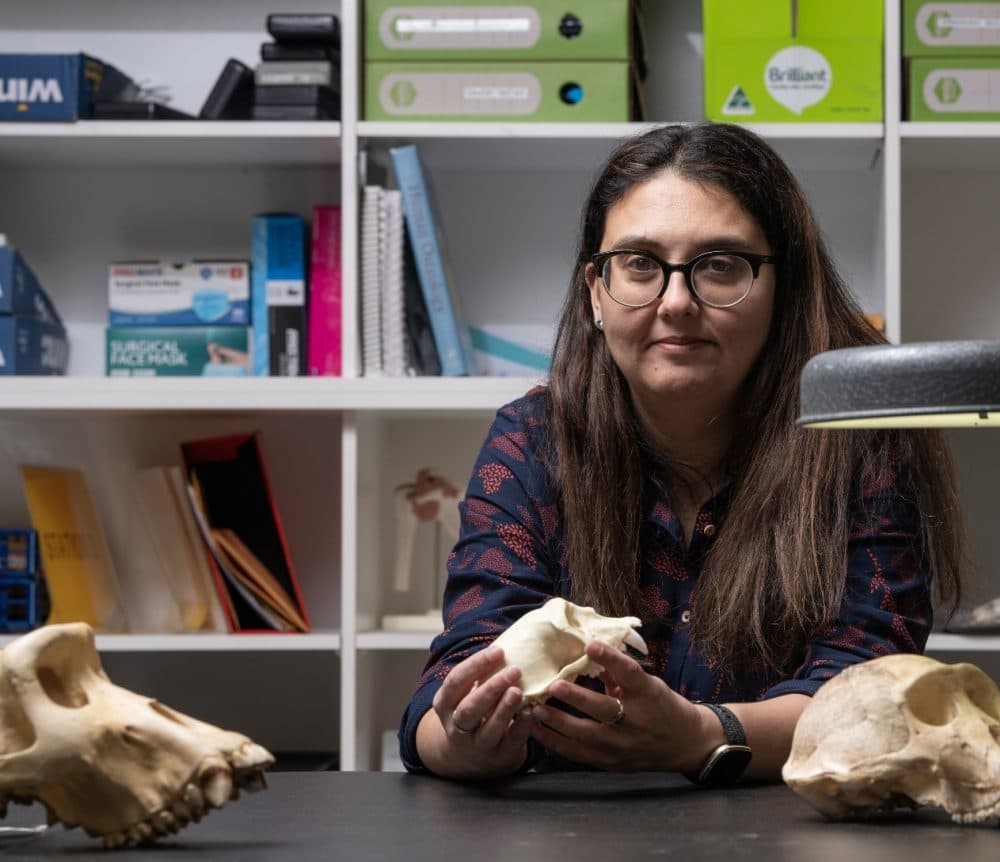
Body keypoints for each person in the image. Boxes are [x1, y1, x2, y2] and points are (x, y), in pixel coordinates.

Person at [400, 122, 967, 784]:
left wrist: (702, 735)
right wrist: (467, 742)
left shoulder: (862, 436)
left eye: (720, 266)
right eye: (640, 264)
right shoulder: (534, 440)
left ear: (784, 289)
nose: (676, 303)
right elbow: (458, 673)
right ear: (595, 292)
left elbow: (874, 692)